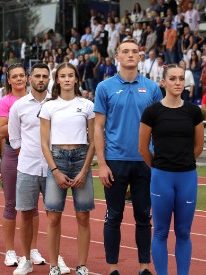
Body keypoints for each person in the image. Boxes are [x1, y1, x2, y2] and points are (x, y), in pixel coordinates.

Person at [94, 40, 163, 275]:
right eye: (126, 51)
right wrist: (101, 164)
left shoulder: (153, 88)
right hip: (115, 161)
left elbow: (159, 127)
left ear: (140, 57)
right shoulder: (104, 88)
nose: (130, 55)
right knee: (113, 216)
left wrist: (157, 162)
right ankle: (113, 268)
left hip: (145, 162)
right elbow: (98, 128)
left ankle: (144, 267)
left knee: (144, 217)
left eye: (135, 51)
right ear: (117, 56)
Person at [139, 64, 204, 275]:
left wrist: (182, 162)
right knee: (160, 232)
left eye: (181, 79)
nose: (177, 83)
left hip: (187, 177)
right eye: (173, 79)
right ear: (164, 82)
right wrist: (160, 168)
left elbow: (198, 147)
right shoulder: (152, 112)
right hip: (161, 178)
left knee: (184, 232)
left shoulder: (194, 111)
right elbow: (142, 148)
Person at [11, 63, 70, 275]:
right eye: (37, 76)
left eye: (45, 76)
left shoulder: (57, 105)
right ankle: (25, 259)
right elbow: (15, 140)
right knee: (25, 214)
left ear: (49, 79)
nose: (41, 79)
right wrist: (29, 157)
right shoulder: (18, 106)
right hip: (27, 167)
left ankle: (56, 258)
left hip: (53, 169)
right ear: (29, 78)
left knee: (54, 216)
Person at [39, 62, 95, 275]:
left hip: (81, 159)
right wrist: (55, 171)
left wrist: (84, 170)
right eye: (63, 75)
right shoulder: (49, 107)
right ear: (58, 79)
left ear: (77, 79)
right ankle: (53, 265)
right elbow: (44, 143)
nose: (67, 79)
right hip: (57, 160)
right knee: (53, 216)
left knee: (83, 216)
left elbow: (94, 141)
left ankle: (82, 265)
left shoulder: (87, 105)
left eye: (71, 75)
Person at [0, 63, 45, 267]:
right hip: (13, 154)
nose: (19, 79)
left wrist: (18, 124)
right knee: (10, 205)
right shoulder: (5, 102)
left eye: (22, 75)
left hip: (35, 153)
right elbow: (1, 131)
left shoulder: (39, 98)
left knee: (32, 206)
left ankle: (32, 249)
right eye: (14, 76)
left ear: (28, 78)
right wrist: (23, 123)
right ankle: (9, 251)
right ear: (8, 80)